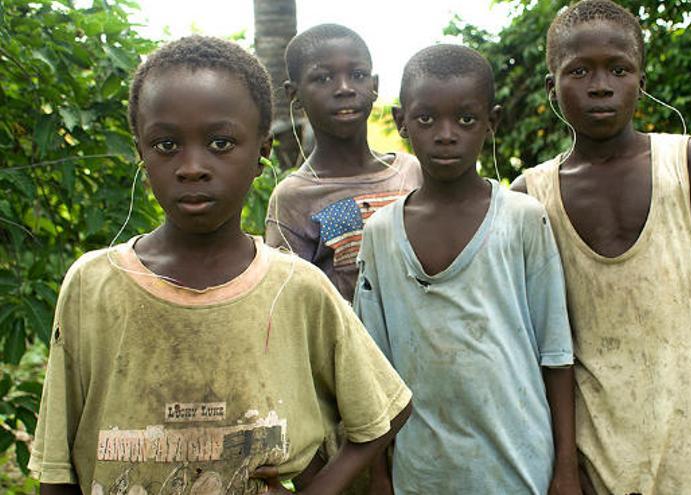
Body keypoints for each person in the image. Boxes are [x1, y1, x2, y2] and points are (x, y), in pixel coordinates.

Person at [28, 35, 411, 495]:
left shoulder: (295, 287)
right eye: (166, 144)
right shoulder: (93, 285)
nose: (192, 167)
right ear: (141, 153)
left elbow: (385, 410)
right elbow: (56, 467)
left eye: (220, 142)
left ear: (262, 153)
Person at [510, 1, 691, 493]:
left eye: (619, 69)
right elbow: (538, 341)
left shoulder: (686, 164)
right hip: (594, 448)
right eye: (579, 71)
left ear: (642, 80)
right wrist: (563, 462)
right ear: (552, 87)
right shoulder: (531, 196)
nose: (600, 85)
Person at [353, 44, 580, 495]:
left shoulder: (521, 219)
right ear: (400, 122)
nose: (446, 134)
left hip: (520, 467)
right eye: (426, 119)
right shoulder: (380, 233)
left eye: (466, 119)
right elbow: (372, 370)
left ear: (491, 122)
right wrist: (378, 475)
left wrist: (566, 469)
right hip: (423, 475)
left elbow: (555, 353)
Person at [265, 24, 421, 303]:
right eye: (323, 78)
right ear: (294, 94)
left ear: (374, 86)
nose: (345, 88)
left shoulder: (410, 172)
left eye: (358, 75)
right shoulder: (293, 198)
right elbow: (290, 299)